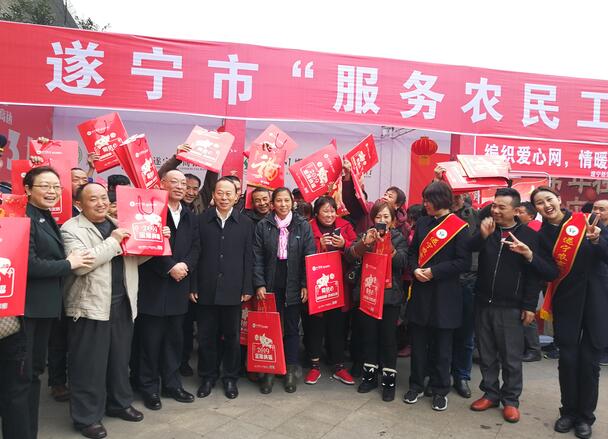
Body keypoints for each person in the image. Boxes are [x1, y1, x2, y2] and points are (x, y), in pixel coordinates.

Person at [61, 183, 168, 439]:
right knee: (89, 365)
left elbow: (135, 257)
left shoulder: (119, 223)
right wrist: (114, 241)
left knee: (120, 360)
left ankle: (119, 403)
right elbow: (82, 265)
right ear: (79, 204)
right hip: (90, 306)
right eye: (93, 199)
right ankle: (87, 417)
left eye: (103, 198)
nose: (101, 203)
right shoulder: (71, 229)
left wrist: (157, 240)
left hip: (123, 303)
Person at [530, 186, 608, 439]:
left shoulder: (587, 220)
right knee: (568, 360)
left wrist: (596, 240)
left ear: (558, 198)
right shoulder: (542, 236)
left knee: (590, 362)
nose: (546, 205)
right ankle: (568, 412)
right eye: (539, 203)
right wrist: (530, 256)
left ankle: (585, 417)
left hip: (597, 300)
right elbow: (551, 272)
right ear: (536, 209)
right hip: (566, 302)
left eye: (549, 199)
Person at [22, 167, 94, 439]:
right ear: (27, 189)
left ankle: (27, 428)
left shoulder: (45, 216)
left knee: (33, 371)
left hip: (45, 308)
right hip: (29, 309)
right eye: (44, 186)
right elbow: (29, 264)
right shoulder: (25, 217)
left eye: (55, 186)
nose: (52, 191)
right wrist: (68, 264)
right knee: (25, 374)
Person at [468, 188, 542, 423]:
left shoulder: (528, 236)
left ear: (516, 210)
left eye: (502, 207)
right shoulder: (488, 229)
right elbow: (468, 248)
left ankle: (510, 400)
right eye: (494, 206)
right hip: (483, 302)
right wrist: (482, 235)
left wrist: (529, 306)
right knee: (487, 354)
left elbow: (533, 275)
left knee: (511, 357)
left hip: (511, 306)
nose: (496, 211)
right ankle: (490, 393)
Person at [403, 181, 471, 411]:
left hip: (446, 295)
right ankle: (416, 385)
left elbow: (463, 262)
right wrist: (415, 269)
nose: (425, 204)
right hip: (421, 292)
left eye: (428, 200)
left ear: (441, 200)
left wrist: (434, 272)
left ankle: (440, 389)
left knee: (443, 347)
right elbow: (412, 253)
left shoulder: (459, 227)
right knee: (418, 344)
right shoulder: (423, 222)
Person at [136, 170, 200, 410]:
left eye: (183, 183)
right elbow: (144, 244)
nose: (180, 187)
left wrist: (185, 266)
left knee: (174, 340)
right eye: (174, 182)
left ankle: (172, 384)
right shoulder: (150, 211)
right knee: (149, 342)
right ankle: (149, 388)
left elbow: (196, 247)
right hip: (153, 286)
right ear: (162, 184)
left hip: (178, 286)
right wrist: (170, 267)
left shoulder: (190, 215)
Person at [190, 177, 254, 399]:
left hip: (233, 289)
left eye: (229, 194)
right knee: (206, 337)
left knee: (232, 337)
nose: (224, 198)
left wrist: (247, 287)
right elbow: (195, 254)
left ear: (236, 197)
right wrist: (193, 285)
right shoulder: (201, 220)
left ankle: (230, 378)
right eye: (220, 193)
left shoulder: (245, 223)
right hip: (206, 288)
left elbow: (249, 257)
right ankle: (207, 377)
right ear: (213, 195)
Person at [253, 187, 316, 394]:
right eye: (278, 201)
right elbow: (257, 256)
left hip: (294, 282)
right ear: (272, 204)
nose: (282, 204)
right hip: (271, 281)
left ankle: (290, 369)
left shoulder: (302, 225)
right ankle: (270, 370)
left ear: (292, 203)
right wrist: (259, 283)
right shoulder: (264, 225)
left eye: (286, 200)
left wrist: (305, 284)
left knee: (291, 327)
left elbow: (309, 255)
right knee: (270, 328)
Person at [347, 200, 408, 402]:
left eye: (386, 216)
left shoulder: (398, 237)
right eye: (378, 216)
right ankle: (369, 377)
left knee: (389, 339)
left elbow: (402, 262)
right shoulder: (367, 235)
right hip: (369, 293)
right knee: (369, 336)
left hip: (390, 296)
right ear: (373, 219)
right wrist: (365, 243)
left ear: (392, 220)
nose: (382, 220)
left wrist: (389, 247)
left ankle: (389, 382)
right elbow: (350, 255)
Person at [304, 196, 357, 386]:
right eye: (325, 211)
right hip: (316, 285)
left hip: (339, 285)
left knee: (337, 325)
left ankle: (338, 365)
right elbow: (302, 251)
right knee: (315, 326)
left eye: (332, 211)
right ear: (317, 213)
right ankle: (314, 365)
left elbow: (357, 249)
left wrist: (344, 245)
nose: (329, 215)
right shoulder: (307, 227)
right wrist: (320, 246)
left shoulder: (345, 226)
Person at [516, 200, 543, 363]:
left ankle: (534, 349)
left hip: (532, 278)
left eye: (521, 212)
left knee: (528, 312)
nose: (517, 215)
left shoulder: (533, 230)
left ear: (531, 216)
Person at [159, 144, 217, 214]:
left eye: (195, 189)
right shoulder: (171, 200)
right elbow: (161, 176)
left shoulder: (201, 200)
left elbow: (210, 182)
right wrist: (178, 157)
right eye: (187, 187)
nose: (190, 193)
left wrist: (215, 158)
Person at [592, 199, 608, 366]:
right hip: (597, 278)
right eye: (595, 208)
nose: (597, 212)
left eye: (601, 209)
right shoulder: (589, 228)